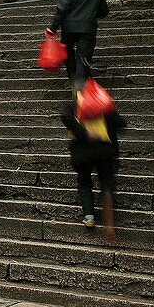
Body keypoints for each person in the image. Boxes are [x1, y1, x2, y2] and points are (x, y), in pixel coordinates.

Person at [60, 87, 126, 243]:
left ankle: (89, 217)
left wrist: (83, 133)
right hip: (104, 150)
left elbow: (65, 116)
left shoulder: (76, 104)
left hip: (82, 152)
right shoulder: (104, 104)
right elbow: (121, 123)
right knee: (106, 185)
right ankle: (109, 226)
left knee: (84, 182)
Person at [46, 0, 109, 86]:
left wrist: (53, 27)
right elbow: (104, 12)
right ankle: (80, 83)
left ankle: (73, 77)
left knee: (67, 52)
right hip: (87, 30)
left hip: (69, 29)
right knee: (83, 57)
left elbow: (62, 10)